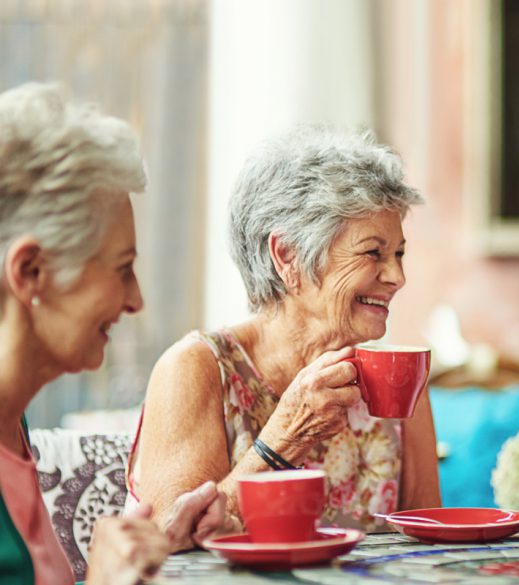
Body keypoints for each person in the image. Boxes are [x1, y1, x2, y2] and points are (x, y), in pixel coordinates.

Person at [128, 125, 440, 536]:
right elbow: (169, 542)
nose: (397, 276)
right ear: (287, 255)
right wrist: (287, 437)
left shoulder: (396, 376)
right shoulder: (196, 368)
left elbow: (428, 538)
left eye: (399, 253)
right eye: (373, 253)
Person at [0, 82, 226, 584]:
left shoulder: (13, 429)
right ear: (31, 271)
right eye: (122, 268)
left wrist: (159, 541)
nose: (136, 299)